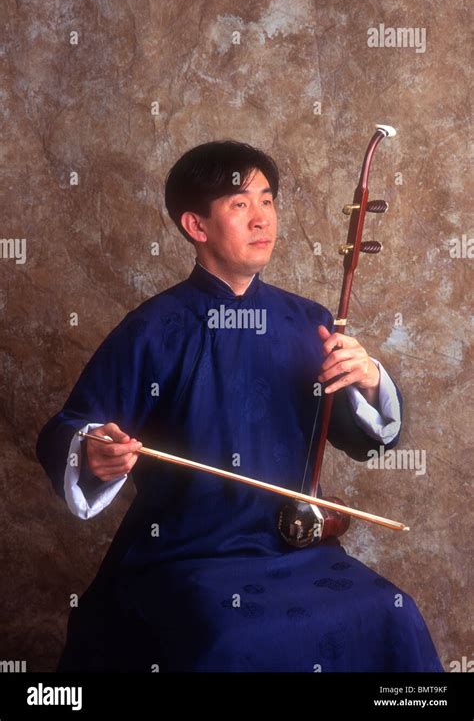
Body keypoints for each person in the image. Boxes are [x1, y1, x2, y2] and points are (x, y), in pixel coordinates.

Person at [36, 140, 443, 672]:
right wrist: (94, 450)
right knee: (230, 643)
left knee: (395, 615)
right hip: (187, 552)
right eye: (239, 204)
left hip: (294, 547)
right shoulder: (155, 328)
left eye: (267, 200)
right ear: (196, 226)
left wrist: (368, 381)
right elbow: (71, 426)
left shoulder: (307, 320)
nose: (261, 219)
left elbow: (357, 438)